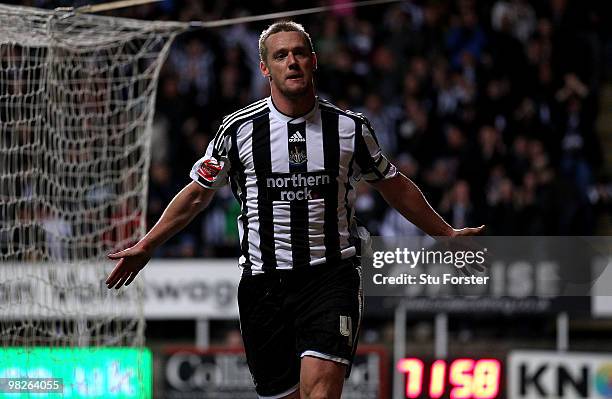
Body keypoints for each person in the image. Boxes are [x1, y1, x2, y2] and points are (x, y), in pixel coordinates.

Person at [106, 21, 484, 399]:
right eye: (281, 55)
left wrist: (445, 232)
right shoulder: (237, 132)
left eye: (300, 53)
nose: (292, 62)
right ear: (265, 68)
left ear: (314, 60)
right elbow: (196, 195)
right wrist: (148, 244)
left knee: (319, 393)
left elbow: (394, 185)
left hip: (330, 277)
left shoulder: (350, 129)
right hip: (263, 287)